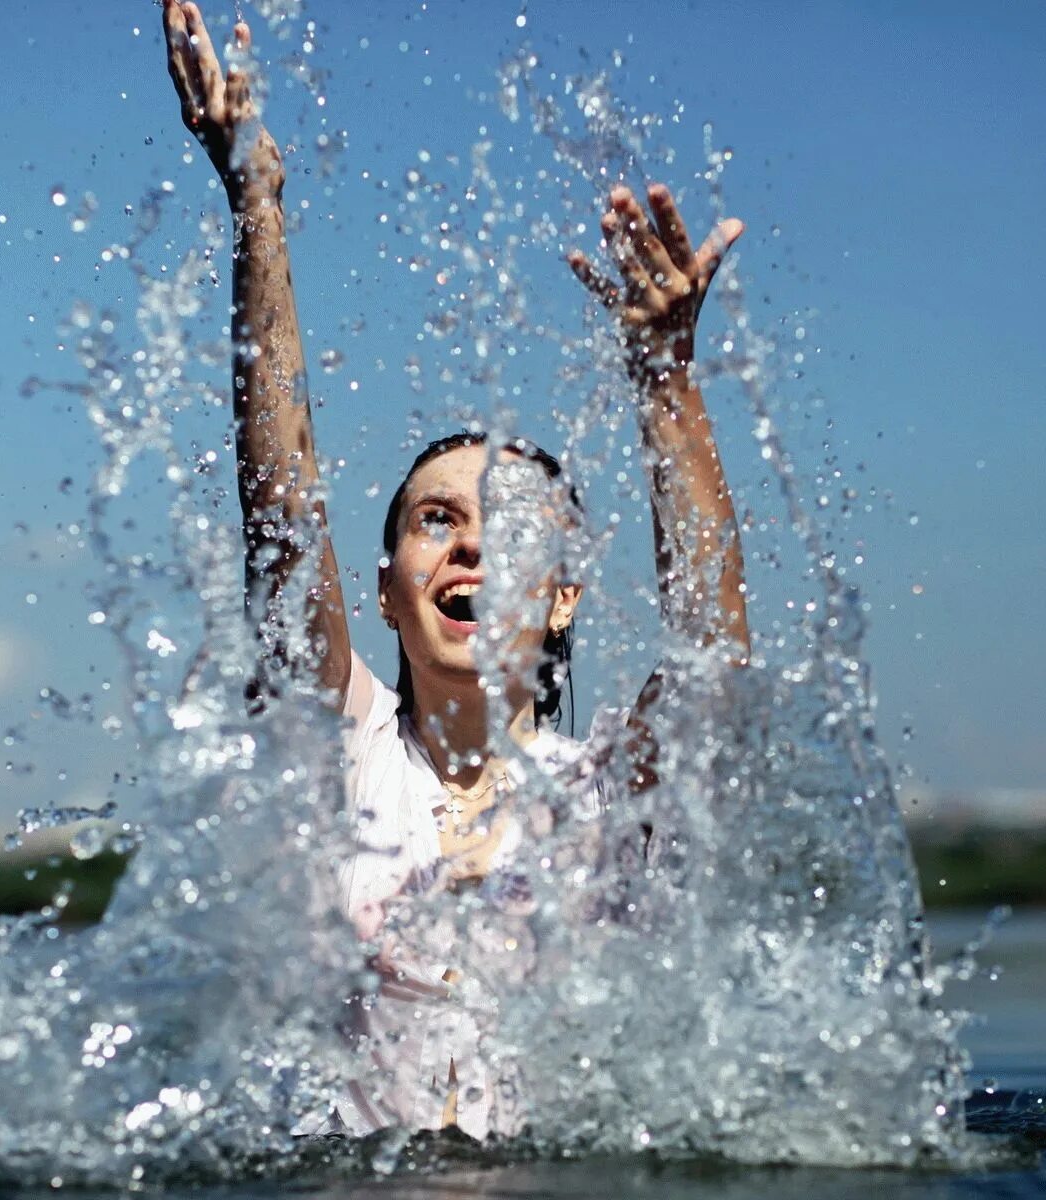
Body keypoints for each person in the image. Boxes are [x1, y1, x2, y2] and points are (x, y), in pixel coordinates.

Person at [160, 1, 751, 1140]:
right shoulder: (340, 758)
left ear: (565, 590)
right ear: (386, 588)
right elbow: (280, 520)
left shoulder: (604, 796)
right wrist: (257, 208)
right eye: (436, 521)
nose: (473, 543)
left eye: (512, 525)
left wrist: (666, 383)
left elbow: (715, 665)